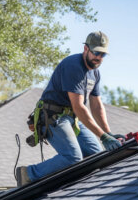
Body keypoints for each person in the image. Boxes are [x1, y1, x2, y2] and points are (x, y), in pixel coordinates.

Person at [16, 31, 122, 187]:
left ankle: (76, 181)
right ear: (86, 49)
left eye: (103, 55)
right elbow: (78, 106)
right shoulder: (73, 65)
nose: (98, 57)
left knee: (96, 155)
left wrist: (108, 133)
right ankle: (28, 173)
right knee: (72, 157)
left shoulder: (95, 73)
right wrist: (103, 137)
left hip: (72, 119)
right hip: (53, 117)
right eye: (96, 52)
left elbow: (96, 105)